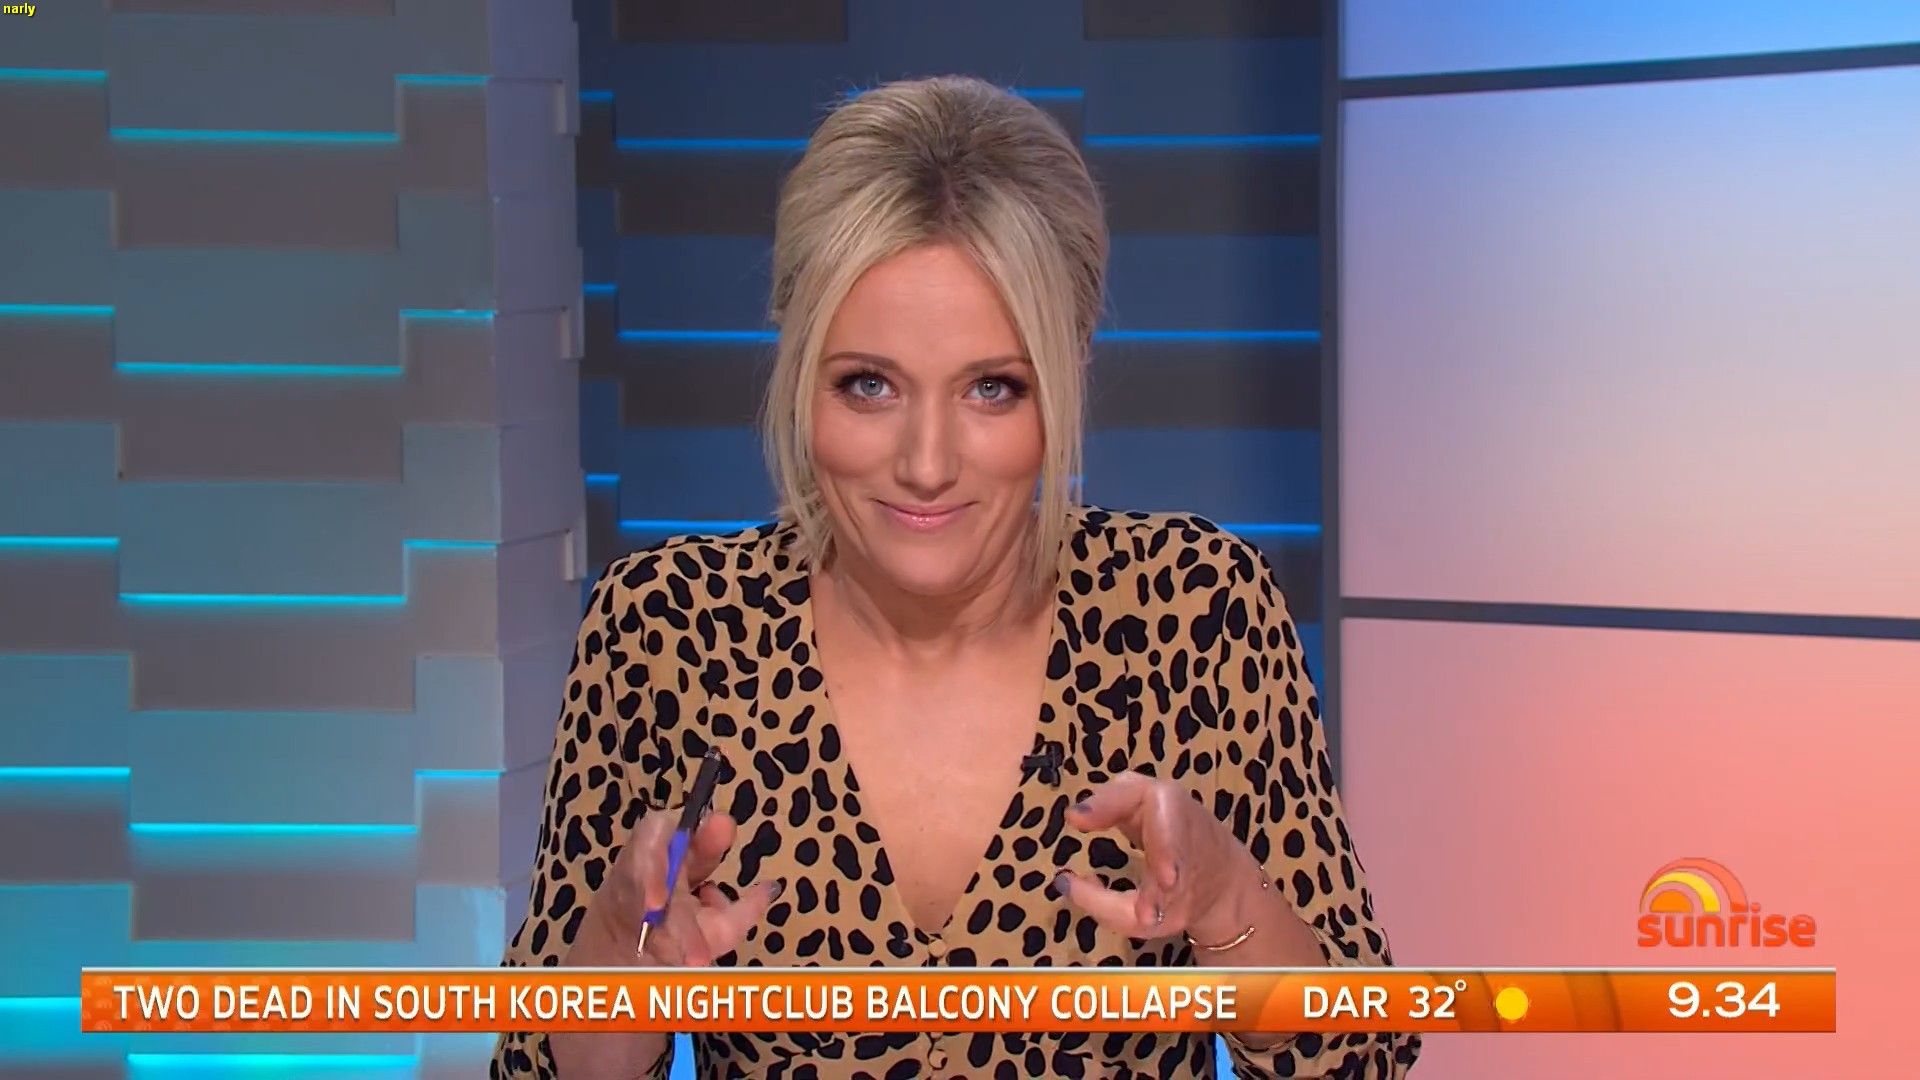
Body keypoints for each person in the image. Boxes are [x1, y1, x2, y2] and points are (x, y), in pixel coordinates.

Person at [493, 74, 1419, 1079]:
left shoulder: (1198, 608)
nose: (927, 464)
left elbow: (1357, 1056)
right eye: (869, 385)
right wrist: (620, 944)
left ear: (1065, 376)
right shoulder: (667, 627)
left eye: (991, 388)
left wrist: (1229, 900)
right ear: (798, 373)